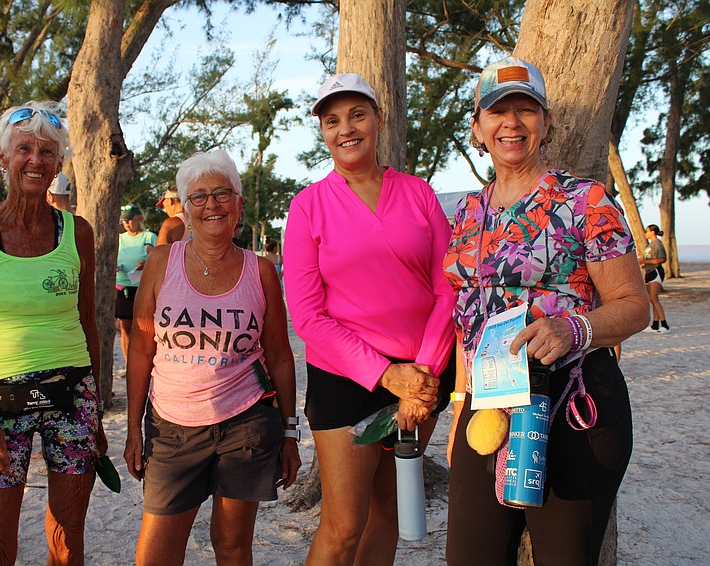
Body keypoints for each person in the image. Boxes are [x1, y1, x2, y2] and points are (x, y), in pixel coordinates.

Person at [442, 57, 650, 565]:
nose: (511, 123)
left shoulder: (586, 200)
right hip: (487, 407)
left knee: (565, 558)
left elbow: (635, 306)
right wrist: (460, 403)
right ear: (477, 128)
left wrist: (574, 328)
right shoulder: (467, 211)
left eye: (526, 109)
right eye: (497, 112)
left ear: (546, 122)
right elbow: (467, 315)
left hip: (575, 402)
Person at [283, 74, 455, 565]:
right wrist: (387, 375)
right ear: (322, 131)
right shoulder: (308, 206)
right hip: (346, 380)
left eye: (357, 114)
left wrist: (421, 375)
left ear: (378, 119)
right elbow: (309, 317)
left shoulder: (419, 194)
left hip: (422, 374)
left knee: (390, 513)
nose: (346, 129)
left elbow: (447, 289)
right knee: (343, 524)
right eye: (332, 121)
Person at [0, 101, 106, 565]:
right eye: (24, 149)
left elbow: (89, 322)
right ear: (3, 157)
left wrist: (95, 408)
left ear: (59, 164)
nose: (36, 160)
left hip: (71, 393)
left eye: (48, 152)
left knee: (68, 540)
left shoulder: (79, 232)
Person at [124, 149, 301, 566]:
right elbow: (140, 348)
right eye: (199, 197)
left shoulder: (260, 272)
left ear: (238, 204)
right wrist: (133, 427)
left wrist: (290, 433)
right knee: (156, 556)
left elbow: (279, 357)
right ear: (184, 209)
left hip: (246, 426)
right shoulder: (160, 263)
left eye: (222, 194)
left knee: (233, 547)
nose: (212, 206)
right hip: (172, 427)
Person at [116, 204, 156, 366]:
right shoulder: (120, 238)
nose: (126, 223)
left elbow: (158, 257)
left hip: (142, 286)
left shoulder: (149, 237)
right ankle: (128, 364)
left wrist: (147, 261)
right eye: (123, 220)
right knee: (125, 328)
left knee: (145, 328)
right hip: (122, 285)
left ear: (138, 218)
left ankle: (147, 362)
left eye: (129, 219)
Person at [642, 224, 670, 333]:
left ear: (652, 232)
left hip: (656, 271)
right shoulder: (650, 245)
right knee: (651, 299)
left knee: (654, 299)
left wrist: (645, 262)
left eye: (647, 231)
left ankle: (664, 325)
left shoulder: (657, 244)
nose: (645, 233)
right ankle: (655, 324)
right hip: (648, 272)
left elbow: (661, 259)